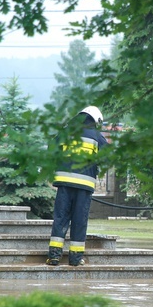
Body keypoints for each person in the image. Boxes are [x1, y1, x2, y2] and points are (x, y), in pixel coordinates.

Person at [46, 106, 109, 266]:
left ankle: (54, 256)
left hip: (64, 184)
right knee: (79, 221)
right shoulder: (97, 137)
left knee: (60, 218)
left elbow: (51, 150)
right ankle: (75, 259)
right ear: (95, 120)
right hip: (84, 186)